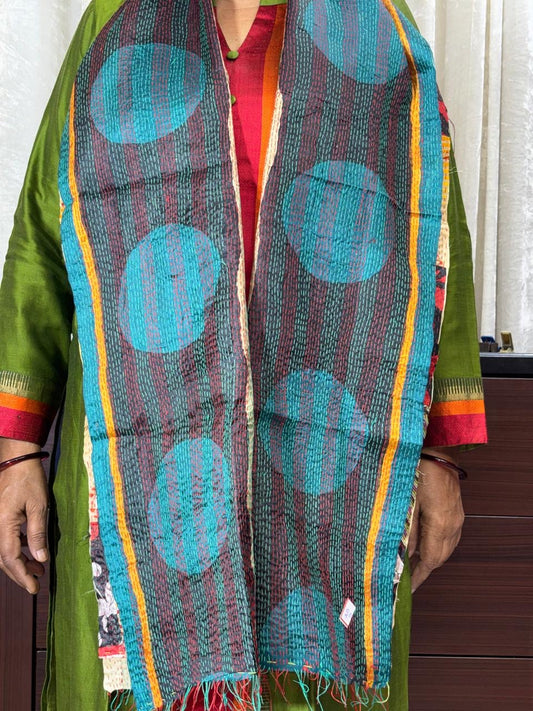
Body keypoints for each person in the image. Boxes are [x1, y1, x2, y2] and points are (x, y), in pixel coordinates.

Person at [0, 0, 487, 709]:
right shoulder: (118, 18)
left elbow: (431, 230)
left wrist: (440, 455)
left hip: (331, 450)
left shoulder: (375, 23)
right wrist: (15, 450)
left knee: (312, 675)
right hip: (138, 443)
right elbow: (45, 232)